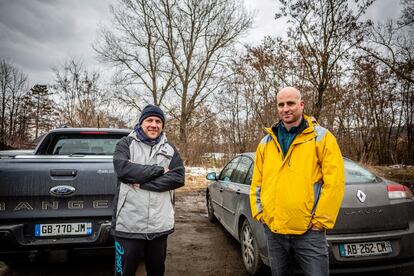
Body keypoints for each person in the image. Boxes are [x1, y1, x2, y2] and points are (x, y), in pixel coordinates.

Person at [249, 87, 344, 276]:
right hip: (274, 232)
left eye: (290, 103)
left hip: (309, 233)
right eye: (281, 105)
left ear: (301, 105)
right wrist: (260, 213)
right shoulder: (266, 143)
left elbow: (335, 183)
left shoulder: (321, 138)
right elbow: (257, 182)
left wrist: (320, 222)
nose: (286, 109)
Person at [112, 104, 185, 276]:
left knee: (157, 272)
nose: (154, 124)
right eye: (149, 120)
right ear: (141, 123)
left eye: (158, 121)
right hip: (129, 224)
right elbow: (123, 170)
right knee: (124, 272)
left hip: (159, 225)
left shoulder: (170, 149)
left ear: (162, 125)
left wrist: (142, 183)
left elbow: (178, 177)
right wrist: (159, 170)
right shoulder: (125, 144)